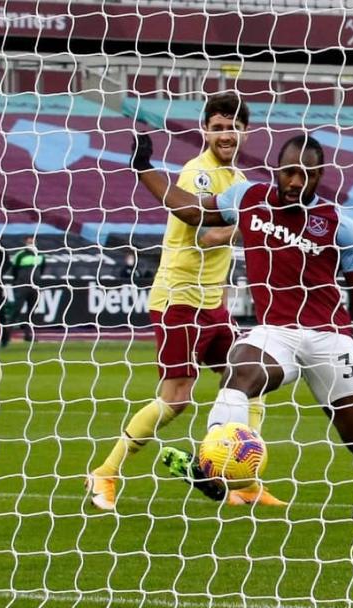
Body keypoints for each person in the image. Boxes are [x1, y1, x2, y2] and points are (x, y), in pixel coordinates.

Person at [130, 132, 353, 520]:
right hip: (275, 332)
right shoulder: (248, 197)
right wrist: (145, 170)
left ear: (320, 176)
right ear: (277, 170)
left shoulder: (341, 227)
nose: (295, 181)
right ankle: (209, 465)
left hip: (330, 338)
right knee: (237, 375)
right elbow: (192, 211)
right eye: (289, 172)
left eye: (306, 174)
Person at [86, 93, 281, 509]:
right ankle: (105, 473)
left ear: (245, 132)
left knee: (251, 382)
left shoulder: (240, 182)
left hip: (213, 302)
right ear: (205, 132)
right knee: (177, 397)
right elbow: (206, 234)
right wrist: (251, 225)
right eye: (218, 127)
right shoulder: (200, 174)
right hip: (179, 298)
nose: (226, 134)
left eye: (233, 127)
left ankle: (245, 484)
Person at [2, 235, 44, 344]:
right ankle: (7, 334)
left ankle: (28, 334)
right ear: (25, 243)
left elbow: (42, 269)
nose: (31, 244)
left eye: (32, 242)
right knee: (17, 309)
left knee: (31, 311)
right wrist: (19, 281)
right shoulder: (20, 255)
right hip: (22, 286)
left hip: (35, 287)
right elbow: (14, 270)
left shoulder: (41, 255)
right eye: (29, 242)